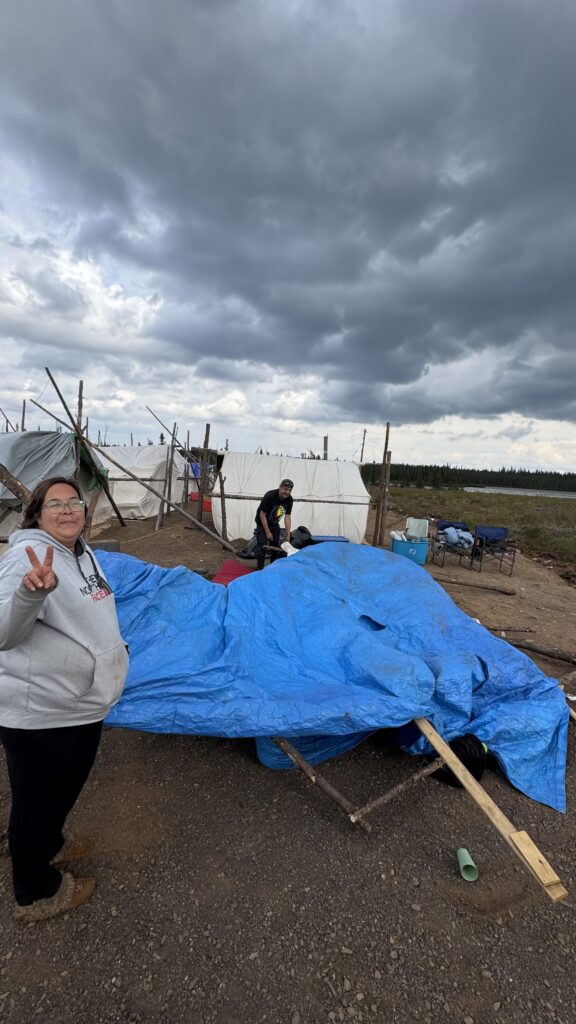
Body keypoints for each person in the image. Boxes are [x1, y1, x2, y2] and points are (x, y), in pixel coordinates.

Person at [0, 477, 129, 922]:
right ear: (36, 513)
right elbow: (3, 634)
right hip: (40, 711)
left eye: (74, 501)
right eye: (55, 504)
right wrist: (28, 594)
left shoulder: (82, 551)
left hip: (81, 702)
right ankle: (34, 891)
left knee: (64, 787)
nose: (68, 509)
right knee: (36, 801)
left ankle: (49, 843)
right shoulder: (25, 558)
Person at [254, 479, 294, 570]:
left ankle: (272, 568)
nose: (287, 492)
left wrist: (288, 534)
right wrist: (267, 532)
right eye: (285, 489)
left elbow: (287, 516)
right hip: (261, 522)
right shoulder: (270, 496)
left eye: (289, 490)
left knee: (275, 546)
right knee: (262, 546)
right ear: (280, 487)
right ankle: (259, 570)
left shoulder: (289, 499)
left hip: (274, 523)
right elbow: (262, 514)